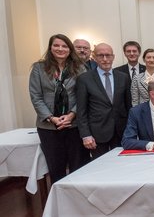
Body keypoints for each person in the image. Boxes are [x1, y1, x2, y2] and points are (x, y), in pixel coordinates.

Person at [29, 34, 90, 183]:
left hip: (73, 125)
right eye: (56, 45)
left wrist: (71, 115)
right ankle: (58, 201)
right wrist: (51, 118)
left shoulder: (80, 68)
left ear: (70, 49)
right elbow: (36, 97)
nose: (60, 49)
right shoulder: (39, 68)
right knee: (56, 168)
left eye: (64, 46)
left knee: (78, 166)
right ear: (50, 47)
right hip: (49, 127)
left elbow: (84, 95)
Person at [76, 43, 132, 159]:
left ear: (113, 57)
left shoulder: (123, 77)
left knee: (123, 166)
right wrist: (86, 135)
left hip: (121, 132)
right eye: (101, 56)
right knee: (100, 168)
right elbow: (81, 111)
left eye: (108, 55)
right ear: (94, 57)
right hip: (97, 134)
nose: (105, 59)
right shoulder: (84, 79)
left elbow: (128, 106)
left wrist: (131, 131)